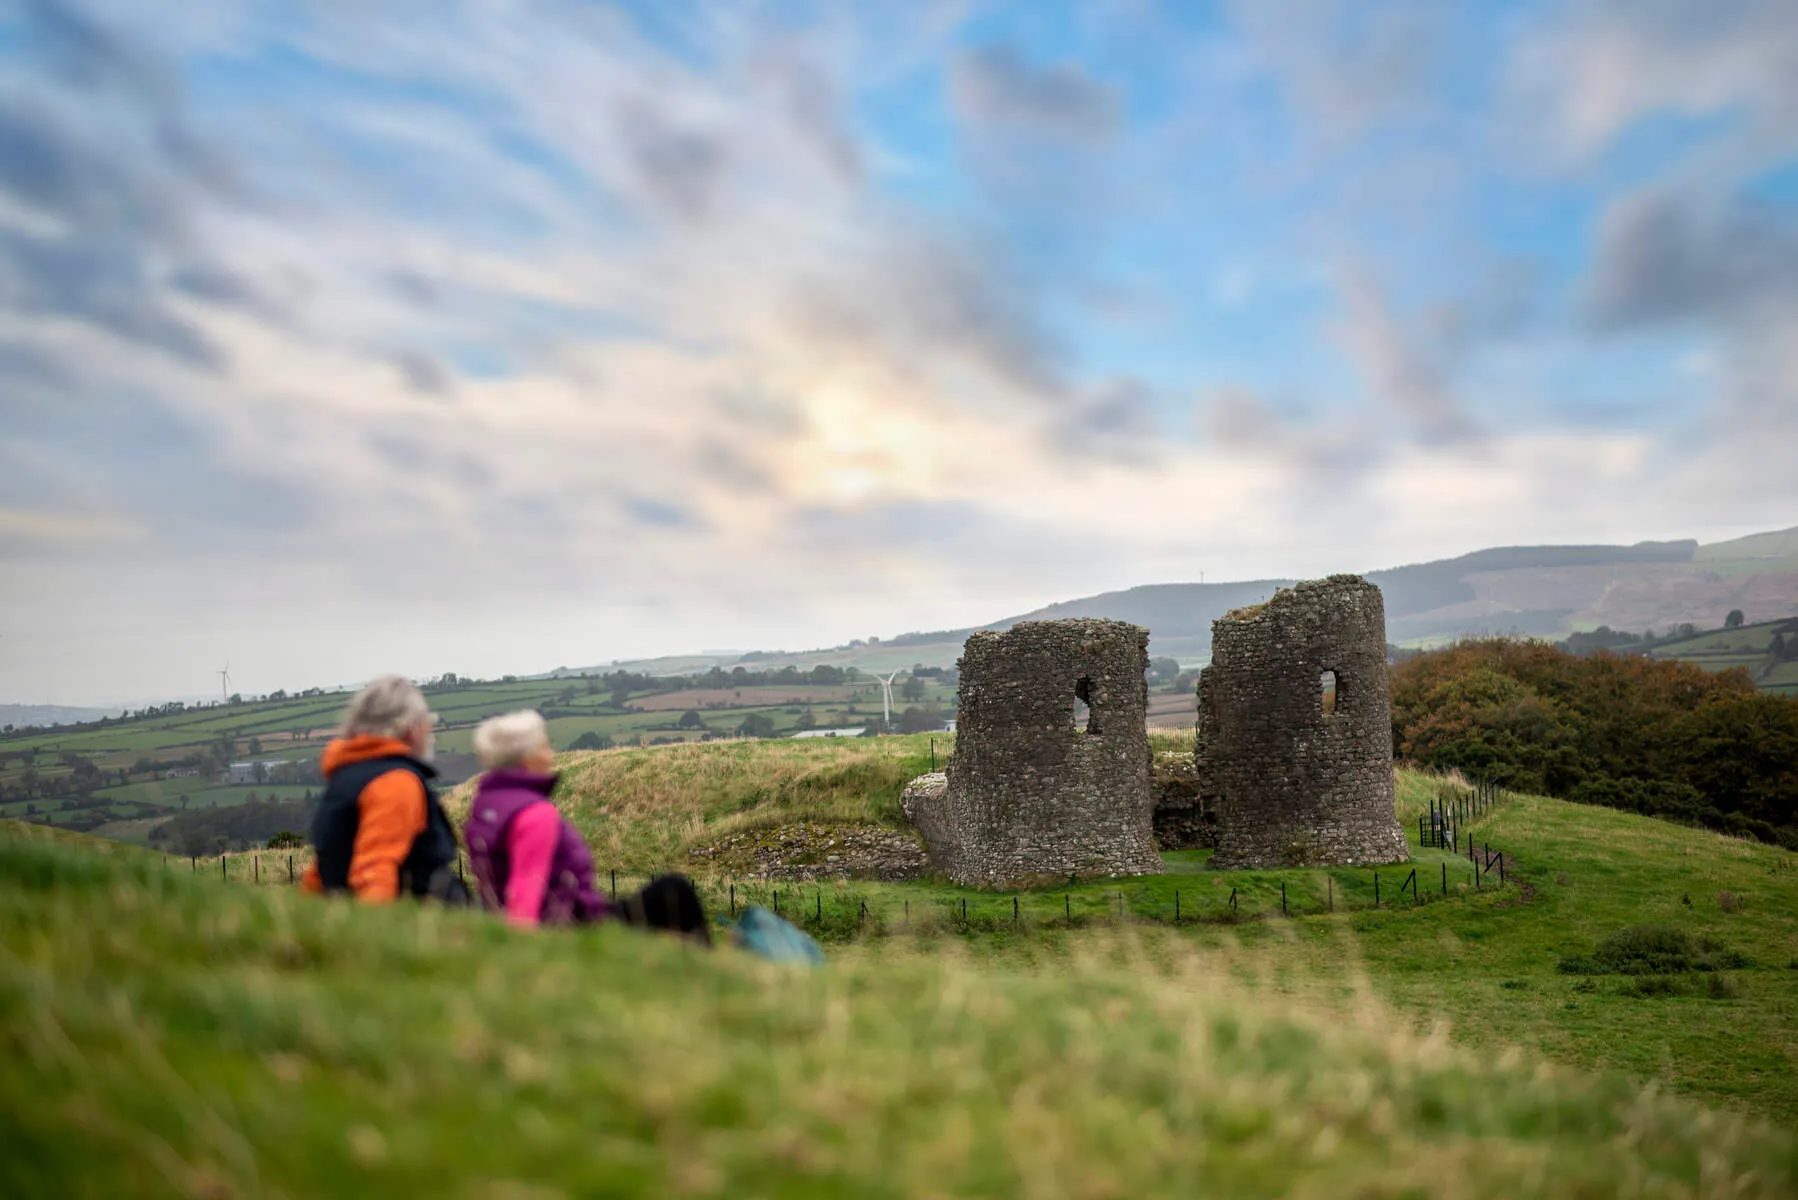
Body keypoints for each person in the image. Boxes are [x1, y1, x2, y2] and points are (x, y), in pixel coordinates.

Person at [463, 710, 710, 942]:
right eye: (545, 747)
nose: (551, 755)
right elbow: (526, 886)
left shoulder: (485, 805)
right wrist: (524, 947)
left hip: (532, 918)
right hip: (574, 924)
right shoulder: (535, 814)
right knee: (675, 891)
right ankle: (711, 975)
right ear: (527, 759)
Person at [302, 675, 467, 904]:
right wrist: (376, 932)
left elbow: (324, 866)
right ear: (410, 727)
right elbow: (376, 866)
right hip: (422, 924)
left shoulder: (345, 778)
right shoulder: (396, 782)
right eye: (426, 720)